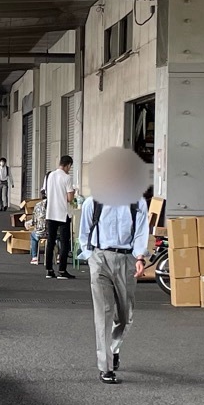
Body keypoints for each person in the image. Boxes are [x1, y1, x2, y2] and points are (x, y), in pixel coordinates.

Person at [79, 183, 151, 383]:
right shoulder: (93, 202)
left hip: (127, 259)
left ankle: (113, 348)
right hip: (100, 259)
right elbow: (84, 232)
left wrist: (139, 257)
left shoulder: (137, 203)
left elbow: (141, 233)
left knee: (125, 316)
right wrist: (90, 256)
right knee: (104, 313)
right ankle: (106, 367)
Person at [42, 154, 77, 279]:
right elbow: (70, 198)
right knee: (64, 242)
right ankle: (62, 270)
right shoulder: (67, 178)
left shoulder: (49, 175)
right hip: (63, 214)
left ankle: (49, 270)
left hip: (51, 213)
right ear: (68, 165)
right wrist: (74, 191)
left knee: (50, 242)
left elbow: (45, 192)